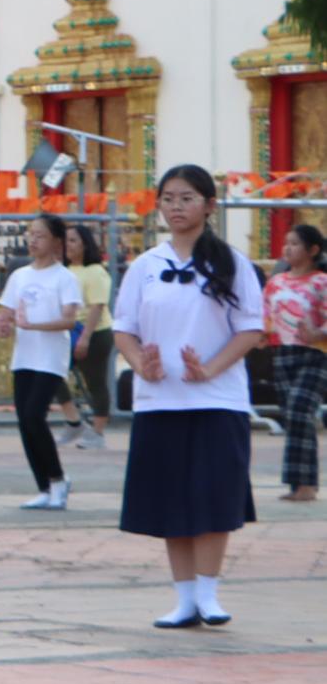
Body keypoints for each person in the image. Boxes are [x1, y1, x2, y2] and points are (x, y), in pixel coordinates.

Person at [117, 165, 266, 628]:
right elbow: (125, 330)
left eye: (186, 198)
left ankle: (209, 593)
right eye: (168, 198)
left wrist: (211, 369)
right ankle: (183, 599)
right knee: (170, 500)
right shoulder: (144, 266)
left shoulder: (233, 263)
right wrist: (144, 365)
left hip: (218, 400)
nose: (176, 207)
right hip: (160, 401)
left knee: (213, 497)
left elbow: (251, 330)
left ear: (209, 205)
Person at [0, 213, 84, 511]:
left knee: (35, 415)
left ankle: (59, 480)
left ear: (56, 241)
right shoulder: (20, 275)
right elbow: (6, 311)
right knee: (25, 421)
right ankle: (45, 487)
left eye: (40, 235)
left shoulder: (65, 278)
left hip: (49, 358)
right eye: (30, 234)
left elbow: (69, 319)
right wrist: (4, 324)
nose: (33, 240)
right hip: (24, 357)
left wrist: (34, 325)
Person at [265, 223, 327, 503]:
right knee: (292, 415)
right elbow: (264, 315)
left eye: (294, 244)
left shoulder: (321, 282)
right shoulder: (276, 282)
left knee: (301, 411)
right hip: (282, 352)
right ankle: (298, 483)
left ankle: (307, 484)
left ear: (313, 250)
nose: (287, 248)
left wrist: (318, 333)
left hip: (315, 354)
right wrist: (261, 336)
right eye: (286, 243)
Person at [55, 224, 115, 451]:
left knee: (95, 382)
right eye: (65, 241)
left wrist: (86, 338)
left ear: (84, 244)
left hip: (94, 333)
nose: (67, 246)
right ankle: (73, 420)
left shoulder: (95, 272)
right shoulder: (64, 270)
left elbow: (97, 306)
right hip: (68, 331)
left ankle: (98, 432)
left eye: (72, 241)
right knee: (51, 374)